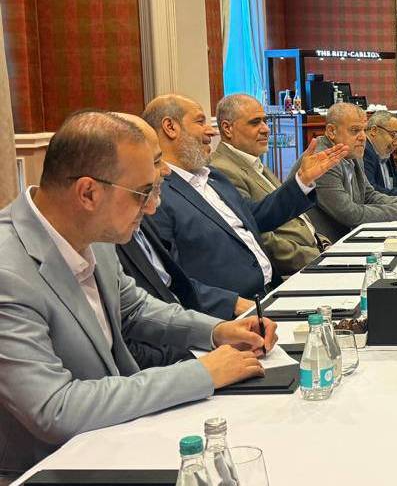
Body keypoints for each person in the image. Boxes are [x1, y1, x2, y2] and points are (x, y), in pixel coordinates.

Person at [0, 111, 279, 474]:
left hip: (119, 435)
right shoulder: (8, 270)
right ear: (88, 192)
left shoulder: (92, 232)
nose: (153, 207)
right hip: (52, 467)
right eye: (142, 193)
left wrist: (217, 331)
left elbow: (134, 309)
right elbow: (55, 409)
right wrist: (201, 373)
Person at [145, 94, 347, 317]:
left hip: (273, 291)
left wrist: (302, 180)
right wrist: (234, 304)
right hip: (233, 313)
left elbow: (257, 217)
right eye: (201, 121)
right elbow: (170, 279)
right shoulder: (158, 195)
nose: (211, 131)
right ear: (170, 127)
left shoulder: (213, 177)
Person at [111, 113, 238, 368]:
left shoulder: (140, 211)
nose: (167, 171)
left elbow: (140, 309)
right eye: (157, 161)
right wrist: (201, 364)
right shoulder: (106, 235)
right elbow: (122, 347)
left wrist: (217, 332)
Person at [210, 93, 329, 276]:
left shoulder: (253, 162)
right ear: (227, 128)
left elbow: (299, 221)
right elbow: (259, 238)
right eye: (255, 122)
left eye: (265, 121)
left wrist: (324, 245)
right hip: (290, 273)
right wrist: (317, 257)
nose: (266, 129)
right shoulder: (222, 169)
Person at [295, 103, 397, 241]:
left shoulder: (352, 153)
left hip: (344, 238)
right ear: (332, 131)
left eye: (364, 130)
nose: (363, 137)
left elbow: (368, 195)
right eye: (355, 130)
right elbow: (350, 215)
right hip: (318, 245)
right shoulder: (322, 160)